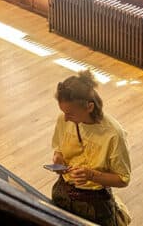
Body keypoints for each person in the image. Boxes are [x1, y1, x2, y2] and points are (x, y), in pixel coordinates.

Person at [51, 70, 131, 226]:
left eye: (70, 113)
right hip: (62, 192)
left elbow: (122, 179)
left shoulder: (113, 134)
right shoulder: (64, 118)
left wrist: (92, 176)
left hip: (95, 203)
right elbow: (59, 148)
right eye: (63, 112)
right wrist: (58, 157)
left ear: (89, 107)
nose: (65, 118)